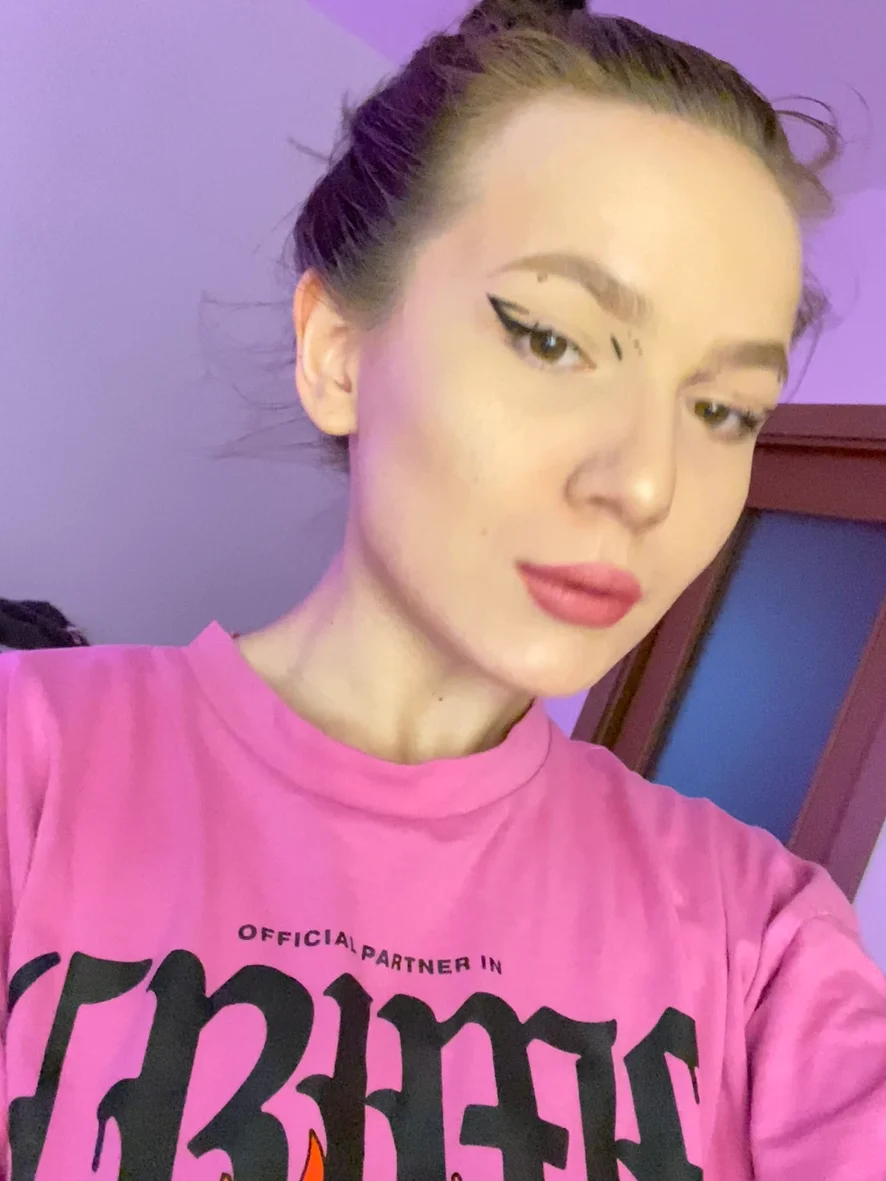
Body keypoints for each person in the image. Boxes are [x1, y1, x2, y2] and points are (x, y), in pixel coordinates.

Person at [2, 0, 884, 1176]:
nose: (646, 482)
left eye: (723, 409)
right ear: (337, 353)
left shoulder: (765, 941)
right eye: (552, 339)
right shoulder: (30, 769)